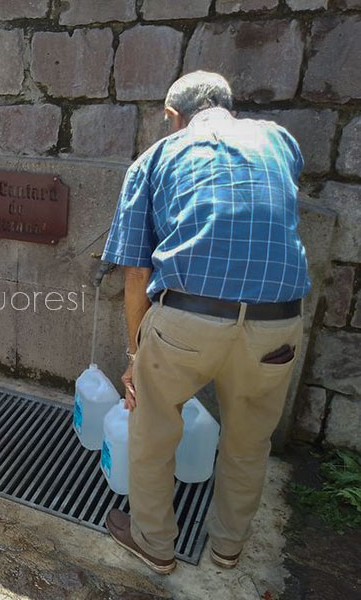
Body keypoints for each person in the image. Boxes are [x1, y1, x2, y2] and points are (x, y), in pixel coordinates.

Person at [100, 71, 309, 574]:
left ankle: (154, 544)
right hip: (276, 326)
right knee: (249, 440)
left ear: (173, 118)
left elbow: (136, 271)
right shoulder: (278, 140)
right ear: (228, 107)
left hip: (187, 320)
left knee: (152, 429)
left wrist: (136, 359)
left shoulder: (155, 159)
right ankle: (227, 549)